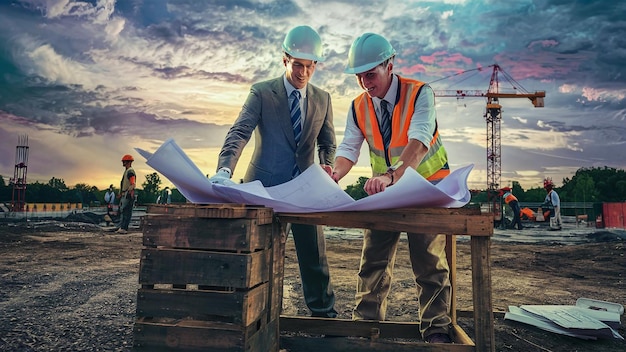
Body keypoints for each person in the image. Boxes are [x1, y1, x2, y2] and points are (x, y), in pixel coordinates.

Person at [330, 33, 452, 343]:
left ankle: (436, 330)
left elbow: (420, 141)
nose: (364, 82)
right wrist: (333, 173)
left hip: (425, 190)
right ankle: (365, 329)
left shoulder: (419, 93)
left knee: (429, 265)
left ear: (390, 65)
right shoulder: (358, 106)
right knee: (373, 261)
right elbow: (349, 148)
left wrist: (391, 176)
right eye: (359, 75)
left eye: (370, 74)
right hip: (384, 192)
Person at [209, 26, 338, 318]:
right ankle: (254, 319)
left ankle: (324, 317)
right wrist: (224, 169)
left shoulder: (323, 99)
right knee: (260, 259)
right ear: (285, 59)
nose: (303, 73)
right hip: (264, 189)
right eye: (297, 65)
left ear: (316, 65)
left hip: (305, 192)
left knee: (315, 259)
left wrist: (327, 164)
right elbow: (240, 131)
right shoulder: (262, 92)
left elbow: (327, 142)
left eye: (309, 67)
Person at [117, 154, 136, 234]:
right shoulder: (127, 171)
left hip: (128, 194)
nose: (123, 163)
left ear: (128, 162)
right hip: (125, 193)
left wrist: (129, 192)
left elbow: (132, 184)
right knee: (124, 211)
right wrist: (121, 193)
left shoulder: (130, 172)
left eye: (124, 161)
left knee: (126, 211)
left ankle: (124, 228)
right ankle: (122, 227)